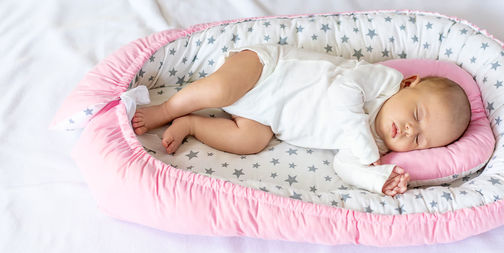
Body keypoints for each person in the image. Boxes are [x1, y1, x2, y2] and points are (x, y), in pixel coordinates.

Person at [131, 44, 471, 197]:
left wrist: (375, 177)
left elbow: (345, 167)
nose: (411, 131)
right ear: (409, 84)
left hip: (264, 118)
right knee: (218, 89)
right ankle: (168, 109)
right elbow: (343, 92)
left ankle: (191, 124)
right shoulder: (383, 82)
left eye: (419, 140)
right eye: (416, 116)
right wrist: (363, 142)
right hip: (266, 72)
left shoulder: (375, 145)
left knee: (250, 142)